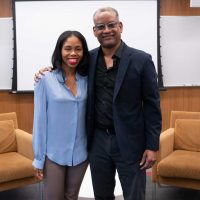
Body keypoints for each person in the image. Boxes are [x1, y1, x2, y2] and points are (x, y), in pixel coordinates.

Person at [35, 7, 162, 200]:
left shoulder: (141, 60)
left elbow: (152, 106)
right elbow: (67, 68)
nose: (107, 30)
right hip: (98, 142)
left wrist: (152, 145)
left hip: (130, 142)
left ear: (120, 26)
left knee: (134, 195)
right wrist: (46, 70)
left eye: (111, 25)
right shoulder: (89, 58)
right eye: (101, 26)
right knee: (102, 195)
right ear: (95, 31)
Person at [32, 30, 89, 200]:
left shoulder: (88, 79)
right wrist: (38, 159)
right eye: (68, 48)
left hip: (81, 153)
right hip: (54, 154)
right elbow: (40, 122)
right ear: (60, 51)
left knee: (72, 197)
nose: (73, 53)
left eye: (78, 49)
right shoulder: (45, 79)